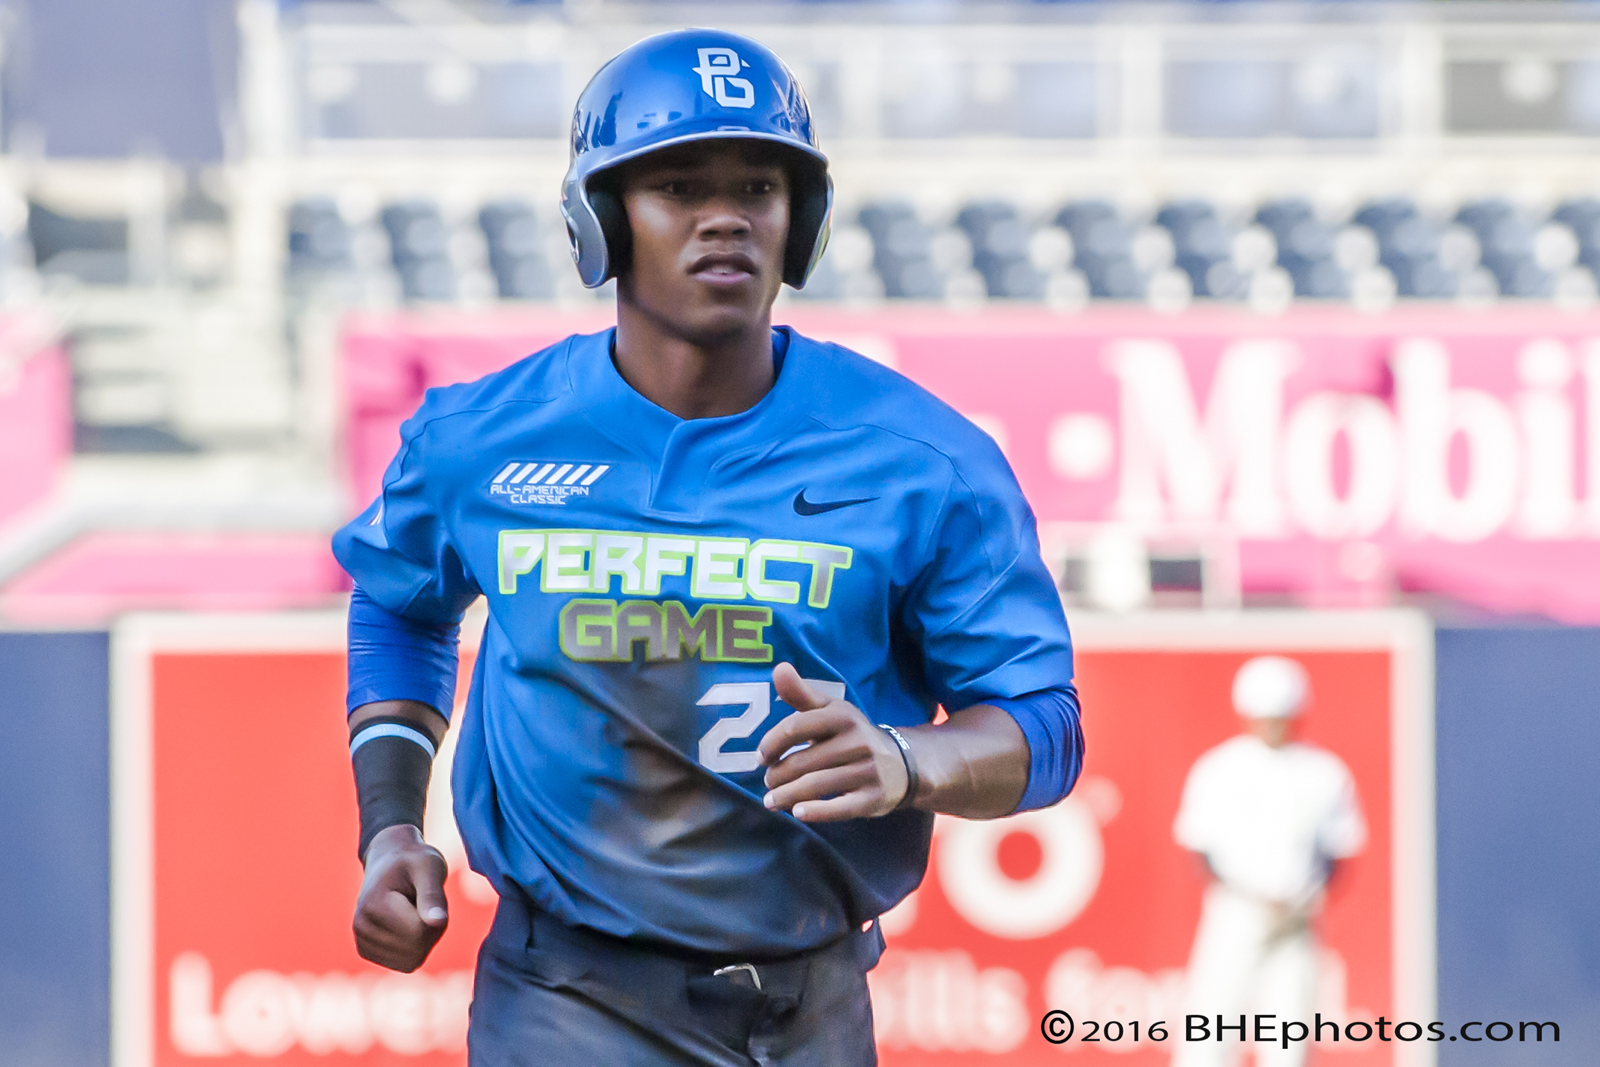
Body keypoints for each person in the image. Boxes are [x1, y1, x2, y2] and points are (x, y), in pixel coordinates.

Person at [331, 28, 1083, 1067]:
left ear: (799, 221)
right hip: (569, 1002)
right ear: (601, 219)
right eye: (680, 186)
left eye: (759, 188)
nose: (725, 216)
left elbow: (1046, 728)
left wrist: (909, 759)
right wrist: (391, 826)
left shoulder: (926, 462)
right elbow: (399, 600)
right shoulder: (482, 439)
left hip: (816, 1005)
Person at [1171, 655, 1366, 1067]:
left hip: (1297, 918)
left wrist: (1308, 899)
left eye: (1281, 717)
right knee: (1210, 1029)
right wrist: (1251, 899)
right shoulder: (1220, 768)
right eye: (1266, 716)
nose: (1274, 726)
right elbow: (1200, 849)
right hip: (1236, 915)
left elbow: (1339, 850)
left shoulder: (1323, 772)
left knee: (1288, 1039)